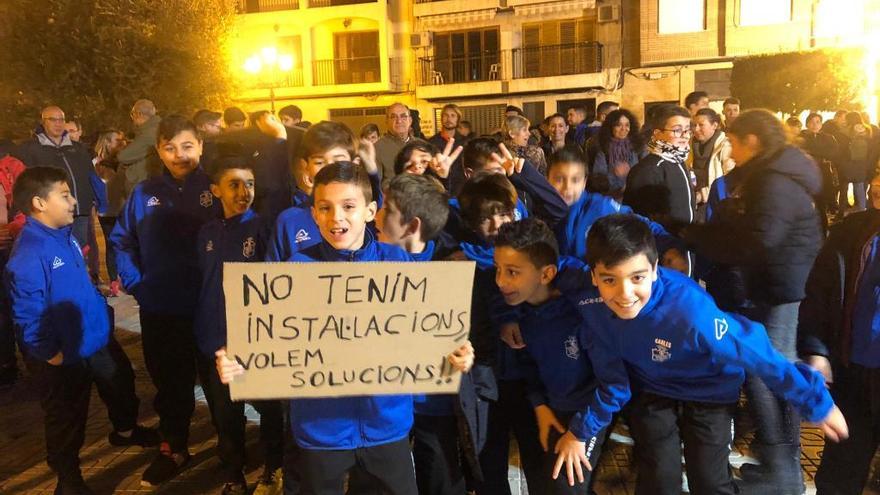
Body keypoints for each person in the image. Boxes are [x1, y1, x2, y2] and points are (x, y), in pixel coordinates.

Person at [218, 161, 474, 495]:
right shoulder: (295, 271)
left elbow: (424, 335)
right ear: (314, 214)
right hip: (319, 429)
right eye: (325, 207)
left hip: (386, 425)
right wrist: (239, 363)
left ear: (370, 211)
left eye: (349, 207)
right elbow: (272, 341)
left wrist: (455, 354)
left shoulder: (397, 264)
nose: (336, 217)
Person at [560, 213, 848, 495]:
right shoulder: (586, 291)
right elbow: (547, 268)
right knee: (659, 477)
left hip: (709, 389)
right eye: (610, 280)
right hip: (652, 387)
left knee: (709, 482)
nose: (625, 293)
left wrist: (815, 401)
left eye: (637, 277)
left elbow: (757, 352)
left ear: (655, 269)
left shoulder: (690, 313)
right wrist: (514, 314)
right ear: (594, 275)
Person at [680, 109, 825, 492]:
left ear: (753, 141)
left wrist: (699, 237)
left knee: (767, 371)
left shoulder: (775, 180)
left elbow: (758, 239)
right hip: (777, 283)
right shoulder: (771, 173)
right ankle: (782, 465)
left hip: (782, 287)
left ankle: (782, 469)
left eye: (735, 142)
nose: (730, 151)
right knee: (775, 368)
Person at [7, 167, 158, 494]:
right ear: (39, 203)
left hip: (95, 337)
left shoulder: (63, 235)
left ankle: (125, 430)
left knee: (120, 384)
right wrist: (50, 353)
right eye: (64, 195)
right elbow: (27, 312)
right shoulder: (30, 252)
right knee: (66, 415)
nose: (74, 200)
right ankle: (68, 477)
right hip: (64, 352)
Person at [111, 115, 222, 487]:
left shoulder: (218, 188)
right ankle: (174, 447)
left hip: (212, 309)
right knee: (171, 385)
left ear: (201, 146)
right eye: (170, 147)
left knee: (220, 384)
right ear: (159, 149)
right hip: (162, 308)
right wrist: (138, 283)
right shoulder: (144, 193)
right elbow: (123, 241)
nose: (179, 155)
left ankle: (230, 448)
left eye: (187, 146)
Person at [375, 174, 486, 495]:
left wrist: (468, 354)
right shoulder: (367, 260)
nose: (377, 216)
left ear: (412, 226)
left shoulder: (456, 269)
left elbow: (478, 334)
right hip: (383, 408)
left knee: (440, 481)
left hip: (433, 407)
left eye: (386, 210)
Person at [493, 218, 606, 494]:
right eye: (498, 270)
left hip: (589, 413)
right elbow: (530, 364)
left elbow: (614, 379)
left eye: (512, 272)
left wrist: (581, 432)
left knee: (566, 484)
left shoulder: (583, 311)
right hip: (555, 409)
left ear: (546, 274)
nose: (501, 282)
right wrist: (540, 406)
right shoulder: (524, 313)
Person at [194, 156, 283, 495]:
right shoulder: (206, 232)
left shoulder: (263, 229)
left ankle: (274, 466)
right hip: (214, 338)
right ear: (216, 190)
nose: (243, 191)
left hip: (254, 340)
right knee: (225, 413)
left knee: (269, 409)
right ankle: (233, 472)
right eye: (234, 184)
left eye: (249, 183)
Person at [797, 171, 880, 494]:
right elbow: (819, 294)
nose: (876, 185)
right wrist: (817, 350)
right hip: (853, 374)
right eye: (876, 174)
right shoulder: (851, 231)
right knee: (838, 476)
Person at [268, 121, 373, 261]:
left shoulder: (365, 215)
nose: (329, 169)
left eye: (338, 161)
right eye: (319, 162)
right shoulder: (288, 222)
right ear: (305, 166)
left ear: (355, 163)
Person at [13, 106, 96, 248]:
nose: (58, 123)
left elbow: (91, 175)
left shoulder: (78, 148)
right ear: (43, 122)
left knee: (79, 251)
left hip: (80, 211)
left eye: (61, 119)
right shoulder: (30, 149)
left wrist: (97, 201)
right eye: (53, 119)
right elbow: (23, 181)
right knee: (56, 251)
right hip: (51, 212)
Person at [623, 104, 694, 228]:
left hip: (684, 241)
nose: (685, 135)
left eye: (687, 129)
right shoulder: (649, 170)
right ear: (657, 133)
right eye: (677, 130)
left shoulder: (678, 161)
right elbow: (642, 219)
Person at [92, 130, 127, 297]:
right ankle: (114, 281)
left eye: (122, 140)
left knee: (125, 245)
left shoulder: (125, 161)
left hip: (123, 208)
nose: (121, 143)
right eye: (117, 140)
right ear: (106, 142)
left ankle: (125, 278)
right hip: (107, 211)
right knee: (111, 245)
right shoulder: (97, 163)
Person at [590, 109, 645, 198]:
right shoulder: (603, 149)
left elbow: (646, 172)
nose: (624, 129)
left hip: (636, 197)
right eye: (618, 125)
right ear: (610, 127)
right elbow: (598, 180)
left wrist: (631, 174)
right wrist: (614, 175)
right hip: (612, 199)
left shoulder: (638, 147)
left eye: (627, 125)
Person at [689, 108, 734, 214]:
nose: (696, 129)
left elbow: (729, 180)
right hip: (693, 201)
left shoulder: (725, 146)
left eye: (701, 125)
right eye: (694, 125)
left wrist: (702, 194)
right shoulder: (688, 144)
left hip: (716, 204)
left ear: (714, 125)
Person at [117, 99, 162, 195]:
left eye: (132, 114)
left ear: (139, 114)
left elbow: (123, 156)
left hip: (144, 187)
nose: (132, 118)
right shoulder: (155, 129)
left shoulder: (149, 133)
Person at [801, 113, 841, 218]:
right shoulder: (801, 138)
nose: (815, 125)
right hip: (806, 174)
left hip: (824, 174)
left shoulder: (828, 138)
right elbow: (801, 153)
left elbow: (834, 153)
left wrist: (814, 153)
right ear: (807, 124)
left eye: (818, 122)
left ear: (821, 124)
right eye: (812, 122)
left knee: (821, 206)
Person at [839, 111, 874, 212]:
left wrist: (842, 125)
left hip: (854, 160)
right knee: (859, 185)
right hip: (862, 160)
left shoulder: (853, 128)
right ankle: (862, 208)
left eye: (847, 119)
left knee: (854, 185)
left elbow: (843, 133)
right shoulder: (866, 128)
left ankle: (861, 208)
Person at [375, 103, 416, 187]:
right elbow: (375, 186)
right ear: (386, 121)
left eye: (403, 116)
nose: (399, 121)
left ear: (410, 120)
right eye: (393, 117)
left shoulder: (420, 146)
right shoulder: (377, 149)